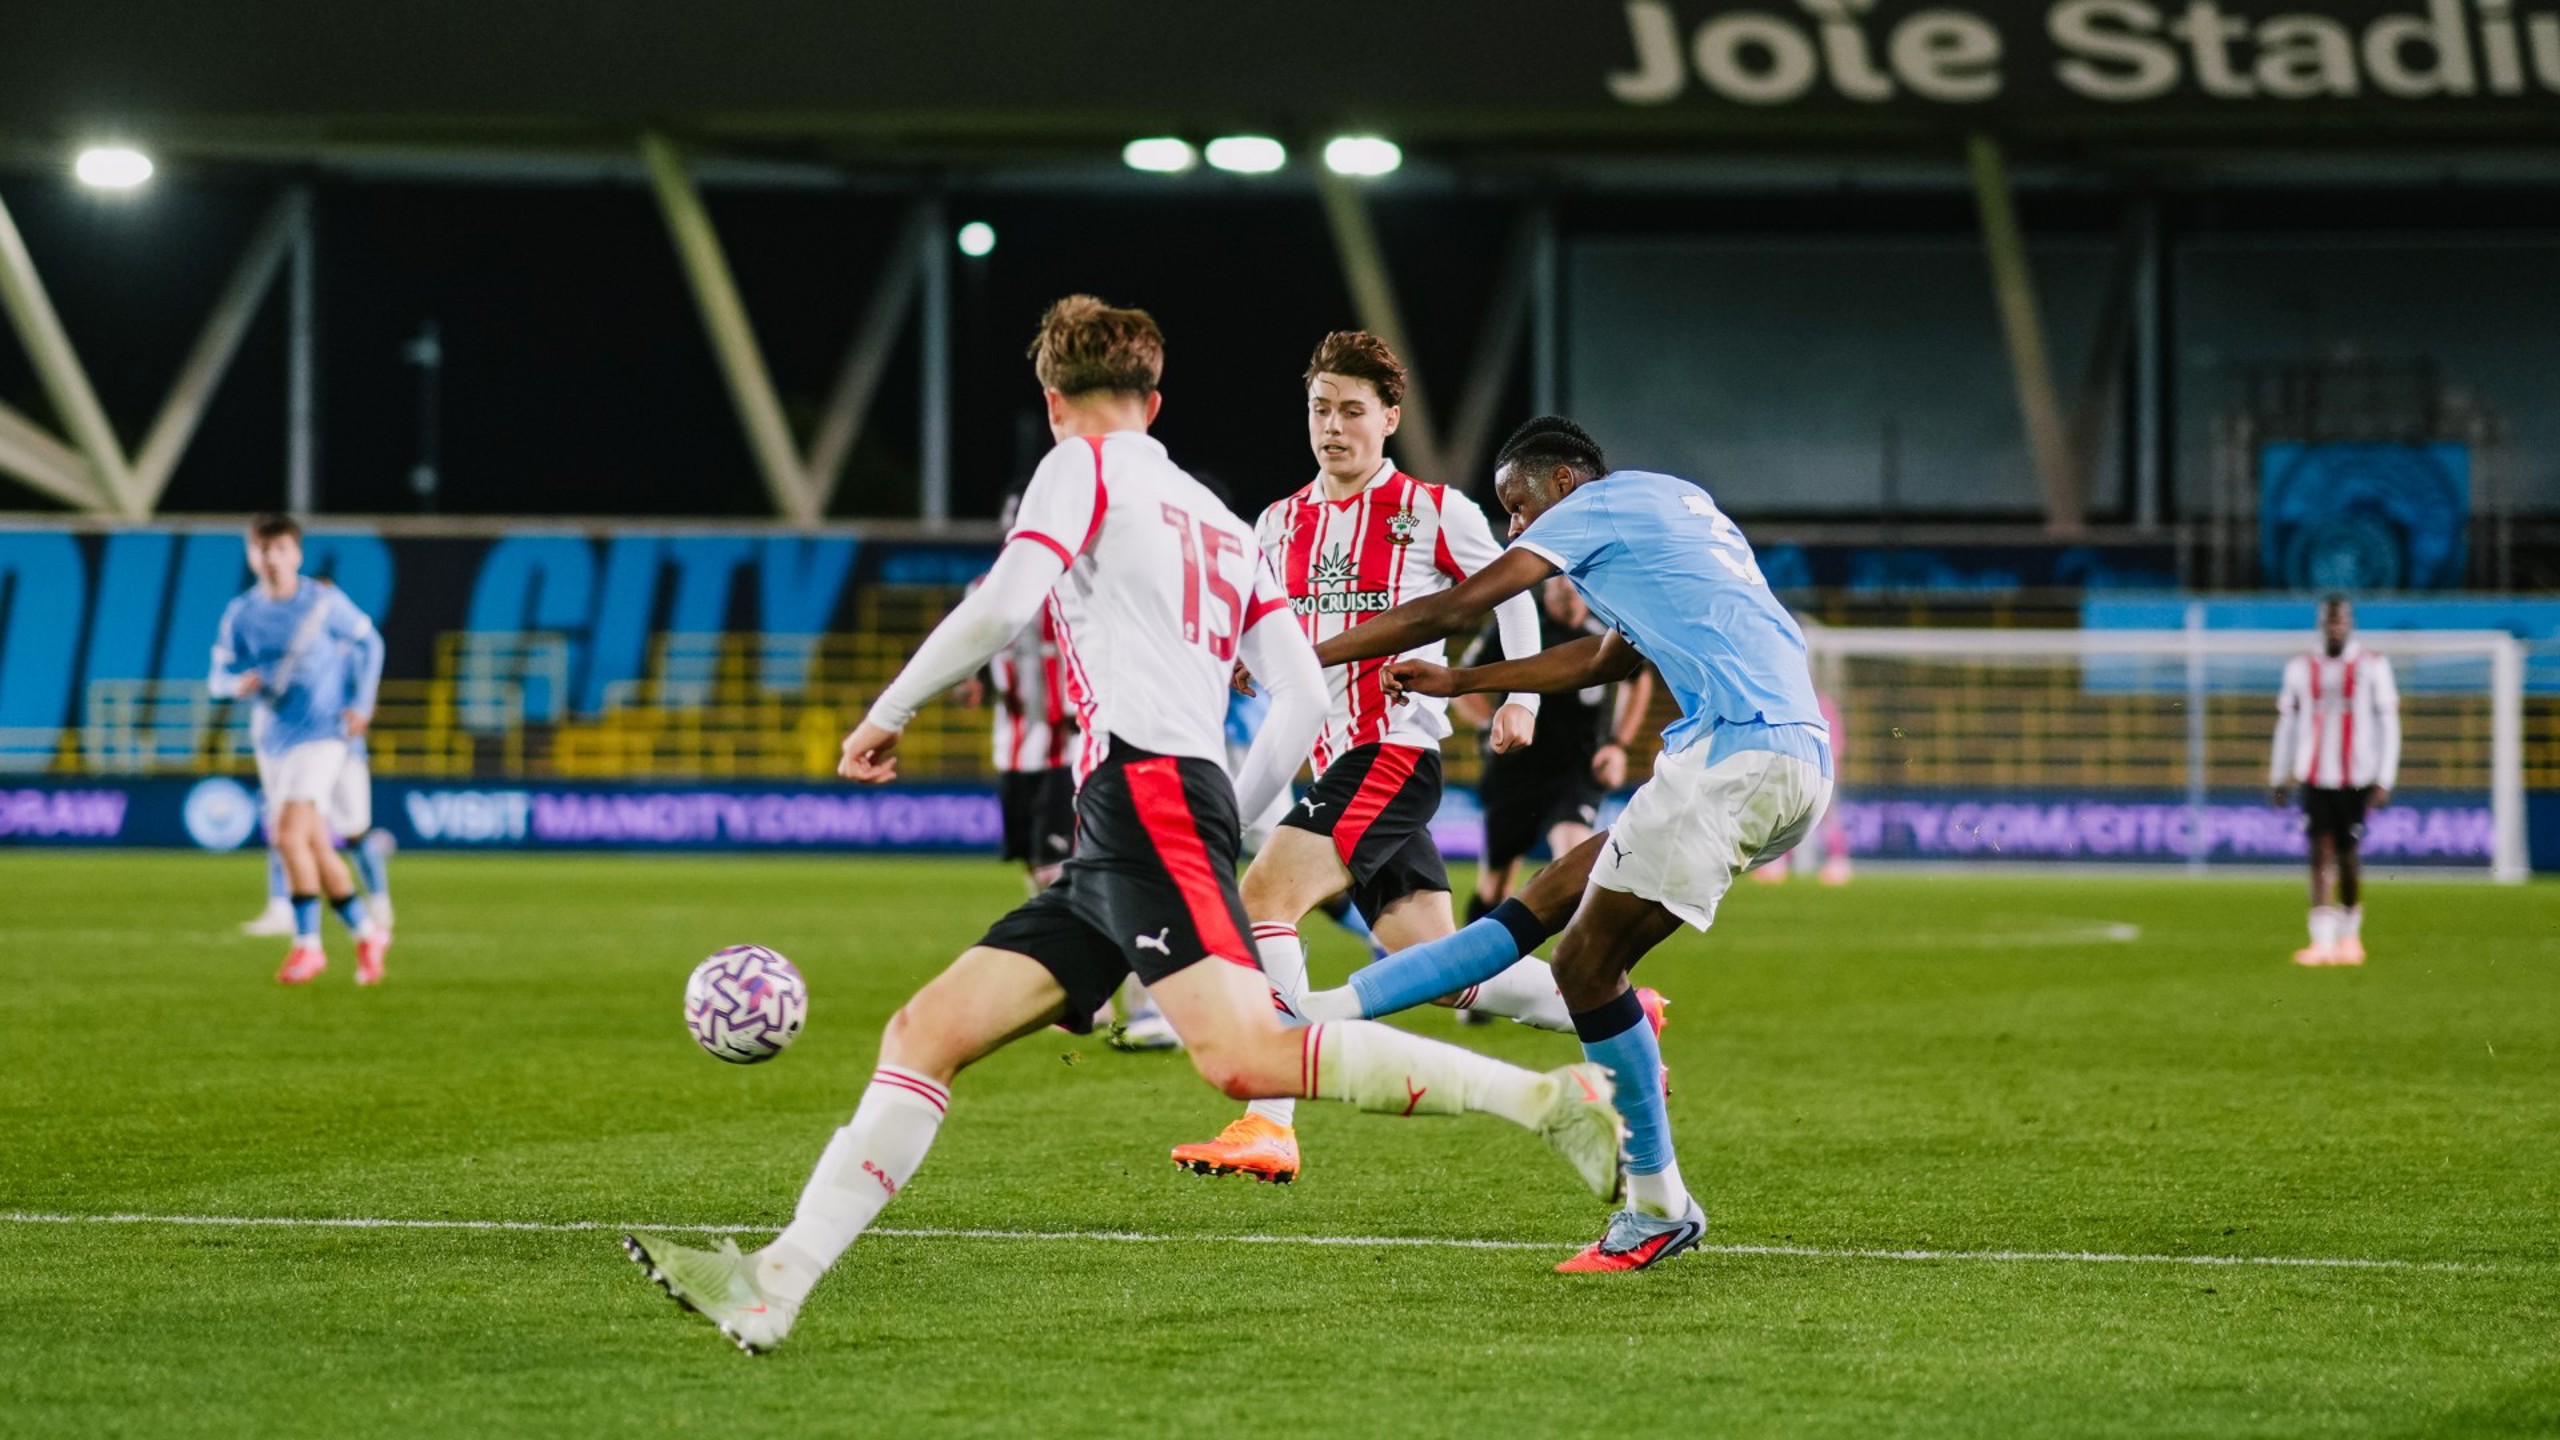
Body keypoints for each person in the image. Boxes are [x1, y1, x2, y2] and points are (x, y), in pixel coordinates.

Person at [621, 298, 1624, 1354]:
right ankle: (773, 1283)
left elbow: (1008, 603)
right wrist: (1223, 815)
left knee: (1246, 1058)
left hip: (1141, 796)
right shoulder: (1222, 517)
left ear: (1056, 401)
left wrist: (889, 712)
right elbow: (1293, 693)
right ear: (1156, 398)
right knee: (926, 1034)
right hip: (1147, 811)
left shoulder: (1082, 461)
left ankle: (1545, 1099)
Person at [1290, 415, 1832, 1273]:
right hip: (1786, 756)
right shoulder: (1674, 505)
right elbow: (1606, 660)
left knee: (1584, 966)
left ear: (1564, 484)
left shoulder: (1596, 506)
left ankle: (1658, 1203)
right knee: (1542, 901)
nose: (1515, 529)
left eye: (1518, 507)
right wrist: (1466, 680)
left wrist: (1300, 656)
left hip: (1737, 753)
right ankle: (1316, 1012)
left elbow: (1456, 602)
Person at [1167, 329, 1556, 1187]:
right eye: (1319, 410)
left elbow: (1512, 587)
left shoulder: (1432, 509)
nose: (1333, 427)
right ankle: (1610, 1008)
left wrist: (1519, 696)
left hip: (1391, 750)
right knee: (1440, 967)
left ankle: (1270, 1119)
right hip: (1329, 761)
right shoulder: (1277, 522)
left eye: (1351, 410)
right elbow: (1273, 635)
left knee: (1264, 893)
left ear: (1389, 416)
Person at [209, 515, 392, 985]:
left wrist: (363, 703)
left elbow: (371, 642)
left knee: (287, 836)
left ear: (297, 555)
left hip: (325, 735)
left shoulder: (323, 602)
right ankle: (366, 932)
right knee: (309, 840)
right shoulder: (241, 613)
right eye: (263, 550)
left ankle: (307, 946)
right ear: (251, 555)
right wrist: (237, 685)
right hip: (273, 738)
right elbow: (217, 677)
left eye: (281, 549)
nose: (271, 559)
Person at [2269, 594, 2400, 968]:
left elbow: (2389, 724)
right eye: (2329, 620)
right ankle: (2321, 942)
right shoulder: (2300, 667)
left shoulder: (2372, 666)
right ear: (2321, 623)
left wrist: (2385, 778)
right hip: (2314, 776)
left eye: (2341, 620)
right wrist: (2279, 775)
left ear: (2350, 623)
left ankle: (2350, 935)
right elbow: (2287, 724)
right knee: (2318, 852)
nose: (2335, 626)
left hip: (2356, 776)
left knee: (2348, 855)